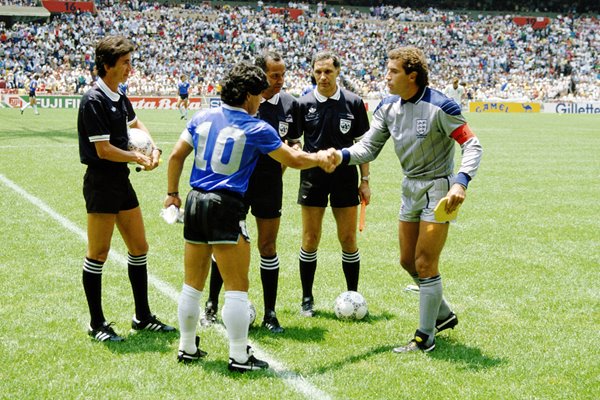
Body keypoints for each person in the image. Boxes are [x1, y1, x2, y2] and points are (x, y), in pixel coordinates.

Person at [164, 62, 335, 371]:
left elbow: (176, 155)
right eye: (258, 94)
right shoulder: (256, 127)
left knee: (192, 284)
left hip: (193, 201)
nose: (261, 100)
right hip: (226, 205)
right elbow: (293, 157)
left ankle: (187, 347)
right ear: (246, 96)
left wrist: (172, 193)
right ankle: (239, 356)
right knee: (237, 286)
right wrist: (319, 158)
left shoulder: (201, 117)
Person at [332, 46, 483, 353]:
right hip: (409, 187)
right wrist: (340, 155)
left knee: (425, 262)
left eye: (393, 72)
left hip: (439, 189)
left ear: (412, 76)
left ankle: (425, 337)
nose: (386, 77)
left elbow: (472, 145)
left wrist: (461, 183)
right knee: (407, 260)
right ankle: (443, 314)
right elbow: (368, 149)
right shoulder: (388, 107)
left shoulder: (441, 106)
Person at [77, 36, 175, 342]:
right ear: (107, 66)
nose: (130, 68)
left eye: (130, 62)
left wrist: (155, 148)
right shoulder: (94, 100)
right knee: (99, 253)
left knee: (139, 247)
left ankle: (142, 316)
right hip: (101, 182)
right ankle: (96, 323)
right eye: (125, 63)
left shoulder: (120, 96)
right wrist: (136, 156)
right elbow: (104, 150)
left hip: (121, 180)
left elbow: (138, 124)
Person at [201, 52, 301, 333]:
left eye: (283, 74)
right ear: (260, 74)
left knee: (268, 247)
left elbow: (293, 145)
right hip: (237, 185)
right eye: (275, 75)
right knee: (226, 243)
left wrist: (280, 170)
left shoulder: (291, 104)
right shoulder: (244, 104)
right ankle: (210, 304)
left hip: (270, 185)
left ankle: (270, 313)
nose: (281, 81)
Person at [289, 51, 371, 317]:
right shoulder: (302, 104)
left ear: (337, 73)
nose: (323, 77)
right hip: (313, 176)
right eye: (318, 72)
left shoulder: (354, 103)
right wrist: (305, 153)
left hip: (345, 176)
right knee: (310, 238)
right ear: (312, 73)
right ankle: (307, 299)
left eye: (328, 72)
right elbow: (294, 141)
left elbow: (363, 146)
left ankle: (353, 295)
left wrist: (365, 180)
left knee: (348, 238)